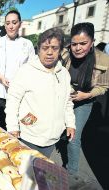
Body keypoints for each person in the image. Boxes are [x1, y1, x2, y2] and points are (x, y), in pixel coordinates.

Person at [5, 28, 75, 158]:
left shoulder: (64, 74)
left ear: (60, 50)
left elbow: (67, 101)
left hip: (52, 138)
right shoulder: (26, 71)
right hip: (28, 135)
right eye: (45, 48)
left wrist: (70, 123)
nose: (49, 52)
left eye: (54, 48)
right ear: (38, 49)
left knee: (40, 171)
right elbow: (13, 100)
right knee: (24, 171)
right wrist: (13, 127)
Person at [61, 22, 109, 175]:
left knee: (74, 136)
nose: (78, 48)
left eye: (83, 43)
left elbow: (103, 86)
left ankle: (72, 172)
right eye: (74, 44)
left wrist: (86, 95)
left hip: (84, 101)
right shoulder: (64, 53)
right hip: (64, 99)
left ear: (92, 42)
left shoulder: (104, 60)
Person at [0, 10, 35, 130]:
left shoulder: (27, 44)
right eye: (8, 23)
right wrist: (1, 78)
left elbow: (31, 68)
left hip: (18, 95)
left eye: (14, 22)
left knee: (15, 130)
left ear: (20, 23)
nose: (11, 26)